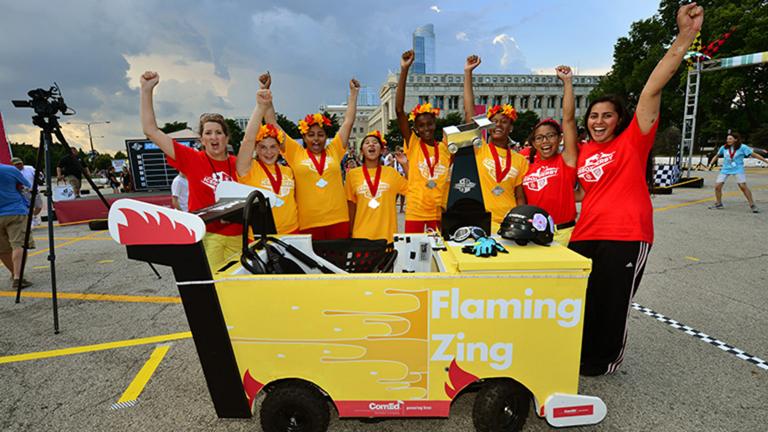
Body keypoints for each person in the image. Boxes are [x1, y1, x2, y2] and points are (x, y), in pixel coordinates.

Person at [567, 3, 704, 376]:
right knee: (583, 301)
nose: (598, 121)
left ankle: (603, 360)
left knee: (612, 302)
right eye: (593, 115)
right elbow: (587, 192)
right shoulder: (588, 150)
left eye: (606, 115)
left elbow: (652, 88)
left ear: (620, 118)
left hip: (626, 234)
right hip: (585, 233)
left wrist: (685, 36)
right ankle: (576, 352)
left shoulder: (633, 140)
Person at [140, 70, 241, 271]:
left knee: (240, 286)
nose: (214, 137)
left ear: (227, 138)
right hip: (209, 235)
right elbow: (150, 130)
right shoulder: (193, 159)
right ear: (201, 139)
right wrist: (146, 90)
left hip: (239, 235)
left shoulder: (238, 163)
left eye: (219, 133)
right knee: (212, 288)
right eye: (208, 133)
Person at [267, 77, 360, 240]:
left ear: (326, 137)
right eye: (311, 135)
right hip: (308, 223)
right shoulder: (295, 152)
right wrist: (265, 93)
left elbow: (348, 122)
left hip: (338, 219)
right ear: (303, 136)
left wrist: (353, 94)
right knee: (310, 265)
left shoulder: (334, 150)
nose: (316, 139)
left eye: (320, 135)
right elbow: (272, 123)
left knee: (336, 265)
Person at [463, 55, 529, 228]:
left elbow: (520, 196)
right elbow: (469, 116)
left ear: (511, 128)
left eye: (504, 121)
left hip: (509, 222)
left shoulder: (520, 160)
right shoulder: (479, 149)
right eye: (495, 121)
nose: (499, 125)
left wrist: (521, 221)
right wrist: (468, 73)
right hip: (481, 220)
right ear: (488, 126)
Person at [522, 66, 579, 245]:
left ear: (560, 138)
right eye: (539, 138)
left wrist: (567, 82)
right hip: (534, 235)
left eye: (550, 136)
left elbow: (568, 120)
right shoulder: (526, 166)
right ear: (533, 143)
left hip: (564, 233)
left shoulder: (566, 160)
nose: (545, 141)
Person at [396, 50, 452, 233]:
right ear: (416, 129)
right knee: (415, 260)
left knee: (439, 259)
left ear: (435, 124)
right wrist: (404, 69)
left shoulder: (445, 148)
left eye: (429, 124)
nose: (426, 128)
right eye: (421, 126)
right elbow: (398, 110)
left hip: (439, 214)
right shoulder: (413, 144)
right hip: (415, 213)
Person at [236, 88, 299, 234]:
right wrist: (260, 107)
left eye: (273, 147)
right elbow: (248, 139)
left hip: (292, 231)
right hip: (261, 234)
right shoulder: (248, 169)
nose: (269, 152)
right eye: (263, 147)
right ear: (256, 149)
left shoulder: (288, 171)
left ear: (279, 149)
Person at [345, 130, 408, 241]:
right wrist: (349, 232)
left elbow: (413, 188)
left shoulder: (391, 173)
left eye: (375, 142)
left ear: (382, 150)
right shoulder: (352, 175)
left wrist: (405, 164)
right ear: (361, 151)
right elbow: (351, 206)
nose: (371, 144)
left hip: (387, 237)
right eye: (367, 142)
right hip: (361, 237)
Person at [707, 132, 768, 213]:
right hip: (725, 169)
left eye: (730, 139)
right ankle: (718, 203)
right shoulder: (724, 147)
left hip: (738, 168)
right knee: (717, 186)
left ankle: (752, 204)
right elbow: (717, 155)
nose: (728, 140)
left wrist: (765, 161)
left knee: (743, 186)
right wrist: (711, 164)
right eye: (727, 139)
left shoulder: (743, 147)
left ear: (736, 139)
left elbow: (754, 155)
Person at [0, 164, 34, 289]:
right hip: (15, 211)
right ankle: (18, 277)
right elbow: (28, 185)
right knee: (19, 244)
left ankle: (13, 273)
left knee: (3, 249)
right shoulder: (10, 170)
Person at [11, 157, 42, 226]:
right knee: (27, 207)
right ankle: (30, 220)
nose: (19, 165)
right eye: (17, 164)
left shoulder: (29, 168)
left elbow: (38, 175)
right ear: (13, 165)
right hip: (23, 191)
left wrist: (40, 175)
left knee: (39, 206)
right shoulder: (13, 171)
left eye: (20, 163)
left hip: (34, 190)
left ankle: (33, 216)